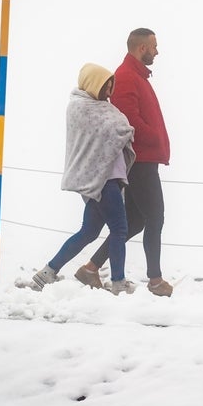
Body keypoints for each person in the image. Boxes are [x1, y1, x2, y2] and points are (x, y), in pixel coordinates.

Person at [74, 28, 174, 297]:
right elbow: (129, 122)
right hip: (141, 161)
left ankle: (91, 268)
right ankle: (155, 280)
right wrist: (154, 137)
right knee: (155, 216)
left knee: (135, 221)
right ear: (141, 48)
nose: (157, 51)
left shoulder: (137, 76)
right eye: (154, 46)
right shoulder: (127, 77)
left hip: (146, 159)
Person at [32, 63, 136, 295]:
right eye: (106, 85)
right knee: (120, 230)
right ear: (93, 83)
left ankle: (47, 273)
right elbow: (119, 128)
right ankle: (119, 283)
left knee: (88, 232)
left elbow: (117, 128)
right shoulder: (80, 107)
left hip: (106, 180)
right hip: (103, 180)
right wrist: (124, 128)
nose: (110, 89)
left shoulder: (102, 107)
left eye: (112, 85)